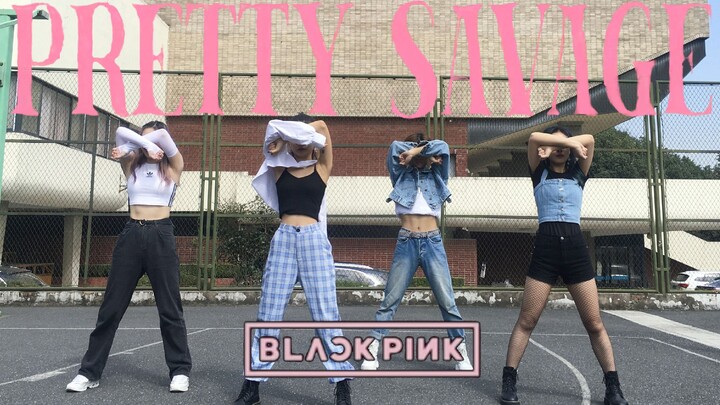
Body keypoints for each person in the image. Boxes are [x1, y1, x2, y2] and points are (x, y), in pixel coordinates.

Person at [500, 126, 628, 405]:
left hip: (575, 251)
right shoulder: (538, 172)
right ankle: (509, 380)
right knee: (527, 321)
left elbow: (590, 138)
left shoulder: (579, 172)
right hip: (545, 251)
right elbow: (533, 138)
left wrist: (566, 144)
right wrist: (562, 144)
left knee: (594, 323)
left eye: (565, 144)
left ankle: (613, 387)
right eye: (554, 143)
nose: (560, 148)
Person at [66, 121, 192, 393]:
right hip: (131, 235)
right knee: (111, 308)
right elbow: (120, 132)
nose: (148, 145)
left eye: (152, 140)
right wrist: (137, 146)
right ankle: (88, 372)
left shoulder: (173, 165)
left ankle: (180, 371)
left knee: (170, 309)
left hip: (161, 235)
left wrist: (146, 144)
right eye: (142, 140)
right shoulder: (131, 164)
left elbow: (161, 136)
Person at [235, 115, 353, 405]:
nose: (301, 143)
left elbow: (322, 125)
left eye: (305, 139)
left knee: (326, 315)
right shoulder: (279, 168)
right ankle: (252, 386)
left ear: (313, 143)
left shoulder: (322, 168)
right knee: (268, 314)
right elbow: (270, 136)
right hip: (284, 240)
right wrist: (283, 140)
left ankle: (342, 385)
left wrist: (300, 132)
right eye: (295, 139)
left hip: (314, 240)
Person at [361, 133, 472, 371]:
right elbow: (394, 146)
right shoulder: (400, 175)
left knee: (447, 301)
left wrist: (419, 152)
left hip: (432, 242)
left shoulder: (438, 175)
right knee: (390, 299)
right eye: (415, 150)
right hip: (407, 241)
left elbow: (443, 146)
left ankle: (460, 352)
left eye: (424, 151)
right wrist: (413, 153)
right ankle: (371, 349)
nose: (420, 156)